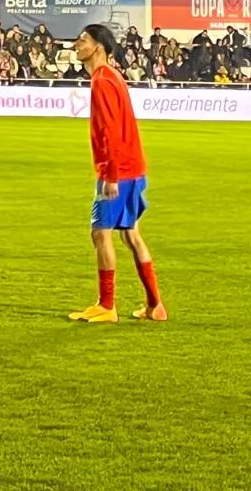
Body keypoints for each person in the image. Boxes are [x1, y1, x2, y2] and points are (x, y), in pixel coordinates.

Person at [68, 23, 167, 323]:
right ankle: (155, 306)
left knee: (100, 233)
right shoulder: (114, 77)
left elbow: (110, 130)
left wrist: (110, 174)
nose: (76, 44)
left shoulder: (102, 79)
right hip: (132, 167)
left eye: (82, 40)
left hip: (118, 170)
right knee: (131, 235)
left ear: (98, 47)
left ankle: (107, 305)